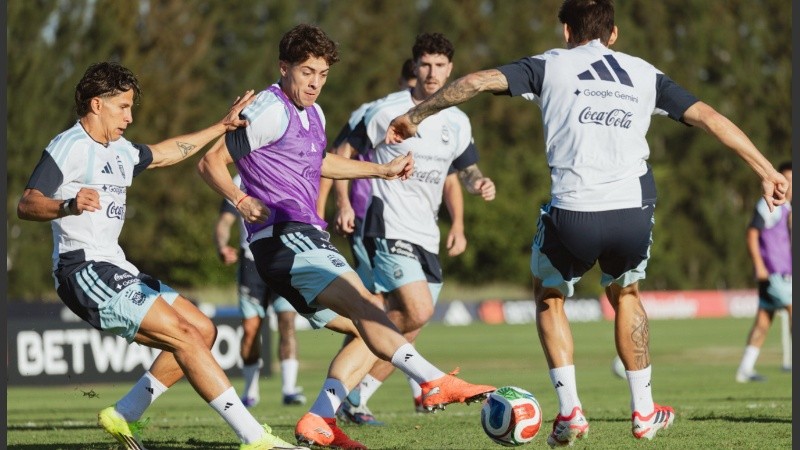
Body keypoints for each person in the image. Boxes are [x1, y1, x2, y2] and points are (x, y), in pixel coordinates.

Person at [385, 0, 790, 445]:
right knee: (627, 292)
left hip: (573, 213)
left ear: (565, 31)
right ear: (612, 34)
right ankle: (643, 412)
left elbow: (476, 81)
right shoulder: (643, 72)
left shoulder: (548, 66)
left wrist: (415, 116)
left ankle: (571, 411)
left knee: (549, 296)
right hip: (631, 212)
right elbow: (710, 118)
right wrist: (767, 170)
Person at [196, 24, 495, 450]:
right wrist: (241, 202)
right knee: (368, 308)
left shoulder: (313, 113)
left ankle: (320, 418)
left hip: (305, 238)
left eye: (322, 73)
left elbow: (320, 164)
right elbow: (210, 162)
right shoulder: (269, 108)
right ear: (284, 68)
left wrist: (381, 169)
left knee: (367, 326)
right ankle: (433, 381)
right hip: (285, 237)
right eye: (306, 72)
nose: (315, 82)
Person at [16, 62, 304, 450]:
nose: (130, 117)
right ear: (97, 104)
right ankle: (254, 438)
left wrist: (221, 126)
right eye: (123, 107)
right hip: (81, 269)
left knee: (202, 329)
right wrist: (67, 204)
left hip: (117, 266)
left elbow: (168, 152)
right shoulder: (69, 145)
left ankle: (123, 414)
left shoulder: (119, 149)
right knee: (185, 337)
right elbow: (27, 203)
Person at [332, 34, 496, 426]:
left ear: (451, 69)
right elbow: (341, 154)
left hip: (427, 235)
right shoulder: (386, 111)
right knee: (417, 309)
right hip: (387, 226)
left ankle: (350, 397)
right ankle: (349, 385)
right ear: (415, 66)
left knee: (407, 325)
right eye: (425, 64)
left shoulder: (457, 120)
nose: (432, 72)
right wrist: (341, 203)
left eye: (440, 65)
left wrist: (479, 185)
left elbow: (464, 171)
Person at [215, 173, 308, 407]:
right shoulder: (239, 179)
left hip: (282, 259)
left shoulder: (283, 169)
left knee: (287, 322)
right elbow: (224, 222)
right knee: (250, 330)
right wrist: (222, 245)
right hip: (250, 263)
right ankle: (250, 391)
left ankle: (289, 389)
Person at [736, 161, 792, 383]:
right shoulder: (769, 205)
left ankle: (745, 369)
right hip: (773, 272)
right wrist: (759, 265)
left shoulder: (788, 208)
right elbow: (752, 233)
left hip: (783, 273)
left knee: (763, 322)